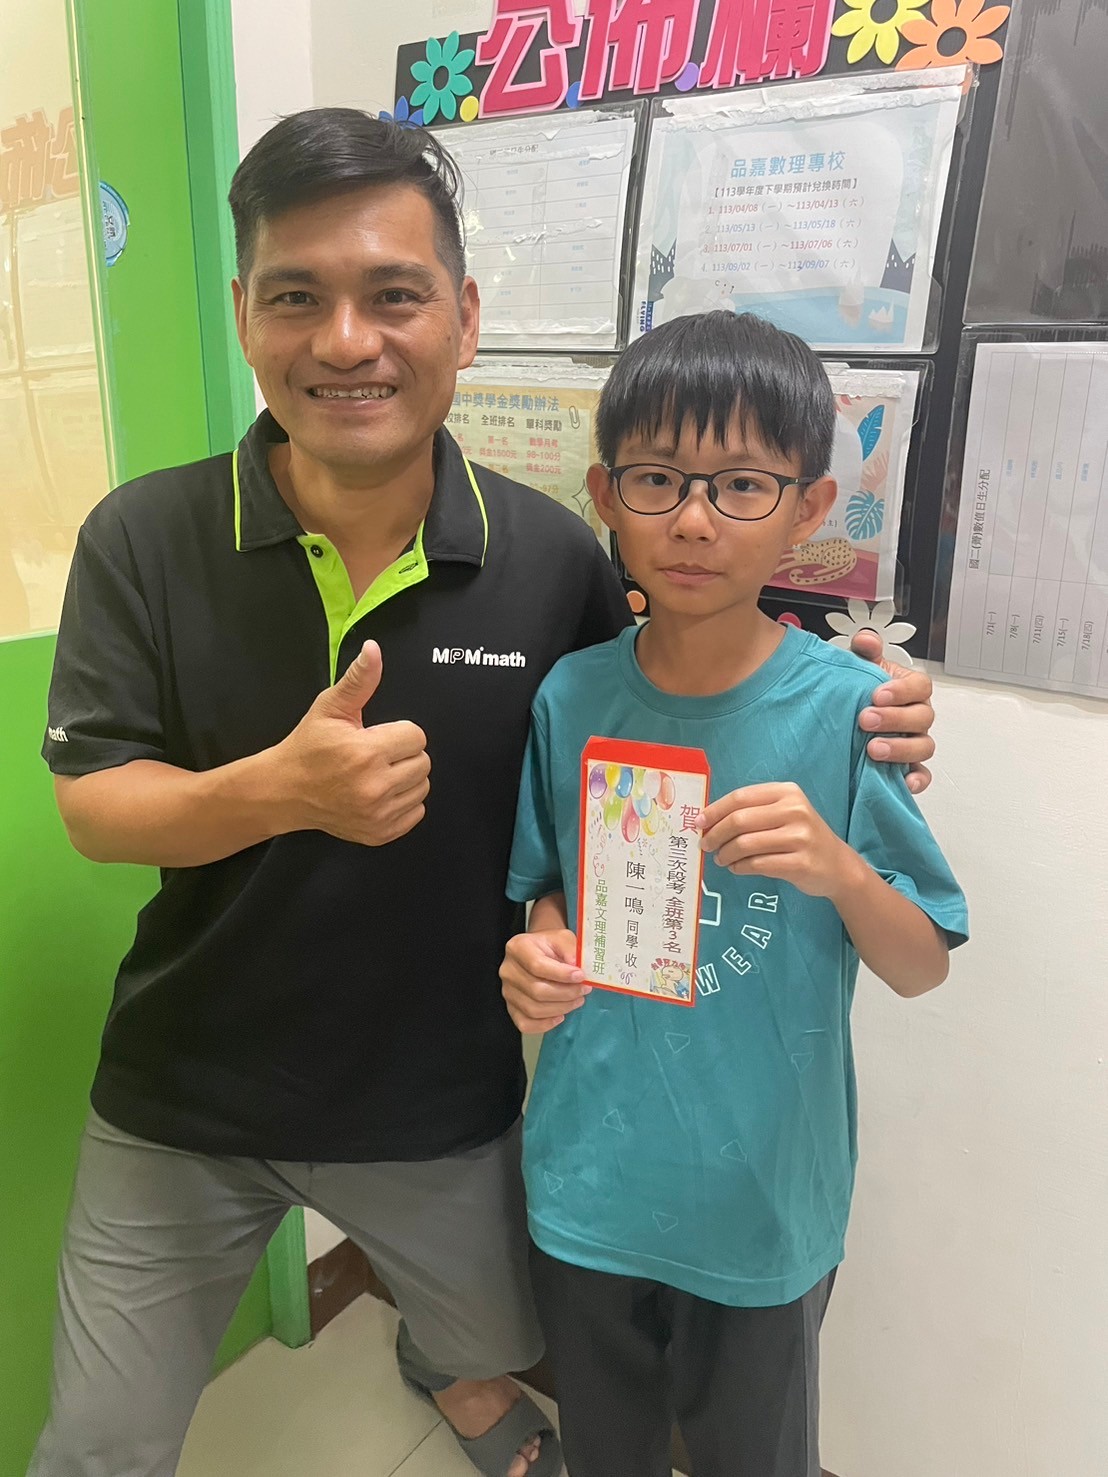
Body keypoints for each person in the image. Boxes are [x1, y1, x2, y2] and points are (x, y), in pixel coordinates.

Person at [32, 108, 938, 1477]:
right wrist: (278, 792)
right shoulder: (144, 535)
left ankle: (444, 1361)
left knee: (515, 1333)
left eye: (393, 295)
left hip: (435, 1100)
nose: (347, 341)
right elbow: (96, 807)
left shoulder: (553, 556)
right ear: (243, 312)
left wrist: (859, 699)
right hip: (183, 1093)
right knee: (97, 1448)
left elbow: (658, 716)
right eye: (297, 296)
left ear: (462, 317)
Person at [500, 311, 968, 1477]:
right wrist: (539, 950)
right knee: (604, 1451)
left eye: (744, 484)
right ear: (606, 496)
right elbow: (547, 889)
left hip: (761, 1203)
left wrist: (839, 867)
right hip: (589, 1179)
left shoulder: (847, 712)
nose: (695, 520)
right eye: (658, 479)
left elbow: (921, 963)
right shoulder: (569, 696)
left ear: (810, 510)